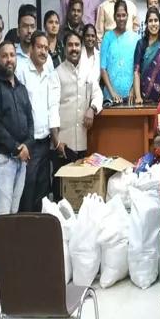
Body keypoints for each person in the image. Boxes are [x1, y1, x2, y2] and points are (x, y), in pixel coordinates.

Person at [50, 30, 103, 202]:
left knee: (79, 191)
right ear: (65, 48)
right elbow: (52, 107)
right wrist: (56, 141)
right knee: (61, 193)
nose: (74, 48)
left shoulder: (88, 71)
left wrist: (92, 108)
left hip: (81, 141)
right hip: (63, 144)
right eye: (70, 45)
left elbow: (98, 94)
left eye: (77, 45)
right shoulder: (57, 74)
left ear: (81, 47)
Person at [0, 41, 33, 215]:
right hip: (4, 160)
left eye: (12, 55)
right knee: (2, 215)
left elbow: (30, 121)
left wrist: (27, 145)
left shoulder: (22, 89)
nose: (9, 59)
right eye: (4, 56)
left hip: (22, 160)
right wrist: (17, 148)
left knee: (14, 213)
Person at [16, 32, 55, 212]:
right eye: (39, 47)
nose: (43, 51)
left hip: (45, 141)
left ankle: (39, 226)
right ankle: (25, 225)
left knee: (43, 188)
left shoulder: (48, 71)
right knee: (28, 190)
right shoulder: (22, 72)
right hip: (29, 143)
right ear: (30, 49)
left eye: (46, 48)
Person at [100, 0, 140, 103]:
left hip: (131, 97)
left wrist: (133, 89)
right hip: (111, 97)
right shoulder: (107, 38)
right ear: (114, 17)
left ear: (127, 16)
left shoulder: (135, 39)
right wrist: (112, 93)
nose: (121, 19)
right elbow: (103, 68)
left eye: (123, 15)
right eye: (118, 15)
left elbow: (139, 68)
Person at [132, 8, 160, 104]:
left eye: (156, 20)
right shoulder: (141, 44)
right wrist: (138, 96)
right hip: (142, 99)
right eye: (150, 21)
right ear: (146, 24)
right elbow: (136, 71)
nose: (153, 24)